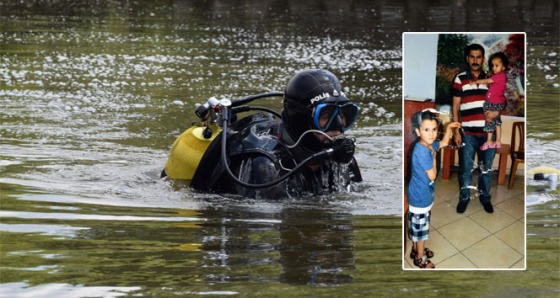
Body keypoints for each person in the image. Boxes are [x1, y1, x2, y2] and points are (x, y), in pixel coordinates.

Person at [188, 69, 362, 199]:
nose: (339, 125)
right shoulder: (264, 167)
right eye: (326, 115)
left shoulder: (340, 157)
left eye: (345, 114)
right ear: (302, 119)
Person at [407, 110, 460, 269]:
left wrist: (449, 128)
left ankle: (416, 250)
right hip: (420, 197)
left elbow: (442, 144)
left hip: (422, 195)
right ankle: (420, 258)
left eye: (434, 129)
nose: (431, 134)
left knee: (418, 227)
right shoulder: (423, 151)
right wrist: (435, 158)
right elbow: (432, 175)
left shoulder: (427, 144)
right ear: (418, 131)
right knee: (421, 231)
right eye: (426, 130)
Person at [452, 44, 500, 213]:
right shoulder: (460, 79)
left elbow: (501, 100)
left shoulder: (492, 78)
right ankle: (464, 198)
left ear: (483, 59)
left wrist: (497, 112)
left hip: (489, 134)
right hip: (467, 134)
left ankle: (485, 198)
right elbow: (455, 106)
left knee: (486, 168)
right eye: (472, 57)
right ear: (467, 58)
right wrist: (456, 130)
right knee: (465, 169)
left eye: (478, 57)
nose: (475, 60)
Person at [470, 52, 509, 151]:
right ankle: (498, 141)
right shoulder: (499, 76)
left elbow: (488, 81)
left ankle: (489, 141)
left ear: (503, 67)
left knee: (490, 122)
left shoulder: (500, 76)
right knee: (497, 123)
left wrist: (476, 81)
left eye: (497, 65)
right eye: (492, 65)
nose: (494, 68)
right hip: (496, 102)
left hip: (494, 103)